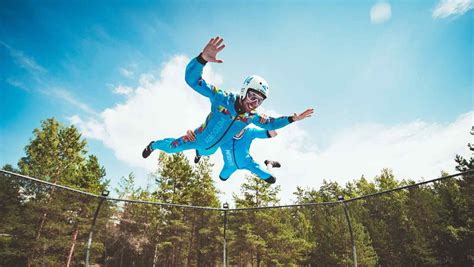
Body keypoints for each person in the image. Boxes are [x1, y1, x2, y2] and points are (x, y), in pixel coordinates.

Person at [142, 36, 313, 159]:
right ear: (244, 91)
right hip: (197, 138)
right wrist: (202, 60)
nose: (254, 103)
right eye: (252, 96)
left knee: (205, 152)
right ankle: (154, 144)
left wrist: (293, 118)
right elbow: (192, 81)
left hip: (211, 149)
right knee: (171, 148)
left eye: (259, 100)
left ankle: (199, 154)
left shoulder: (252, 116)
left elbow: (272, 123)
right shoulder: (222, 98)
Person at [187, 128, 282, 184]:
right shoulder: (224, 133)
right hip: (230, 165)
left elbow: (273, 134)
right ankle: (198, 154)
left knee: (272, 179)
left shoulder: (250, 132)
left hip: (247, 163)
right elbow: (207, 130)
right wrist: (192, 132)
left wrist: (268, 125)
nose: (238, 131)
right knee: (222, 178)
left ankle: (269, 163)